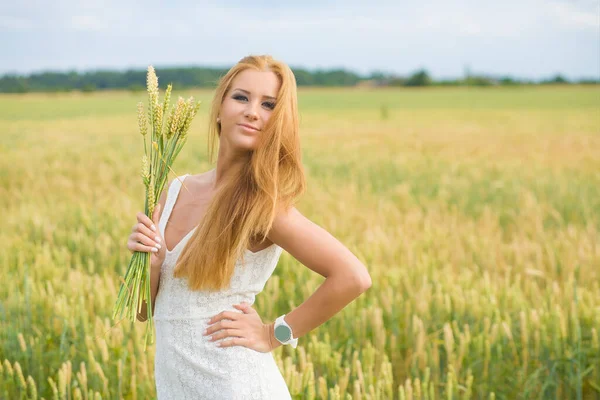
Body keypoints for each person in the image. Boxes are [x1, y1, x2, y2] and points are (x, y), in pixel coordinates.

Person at [126, 54, 372, 399]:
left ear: (279, 122)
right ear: (219, 108)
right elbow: (144, 313)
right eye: (241, 97)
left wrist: (274, 334)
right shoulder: (173, 189)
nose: (253, 111)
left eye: (269, 105)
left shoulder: (263, 207)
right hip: (178, 386)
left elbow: (353, 276)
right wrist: (151, 264)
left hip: (235, 385)